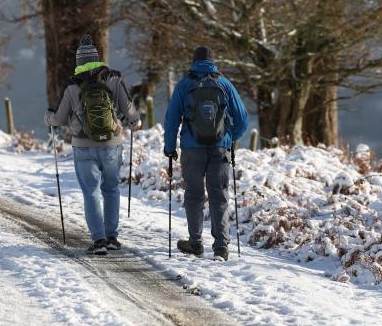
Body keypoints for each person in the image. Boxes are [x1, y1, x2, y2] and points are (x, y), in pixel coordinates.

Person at [46, 35, 141, 256]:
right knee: (111, 189)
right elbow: (129, 110)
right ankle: (112, 238)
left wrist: (47, 118)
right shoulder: (114, 78)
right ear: (97, 59)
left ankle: (98, 241)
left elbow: (59, 119)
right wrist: (136, 120)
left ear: (79, 62)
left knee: (91, 193)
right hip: (111, 143)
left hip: (83, 145)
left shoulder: (71, 85)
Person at [163, 46, 248, 260]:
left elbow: (172, 119)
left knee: (194, 195)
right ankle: (221, 247)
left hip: (192, 149)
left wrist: (170, 147)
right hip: (220, 148)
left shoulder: (184, 85)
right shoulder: (225, 84)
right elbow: (242, 119)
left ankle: (195, 243)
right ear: (213, 62)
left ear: (194, 61)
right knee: (219, 195)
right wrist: (229, 138)